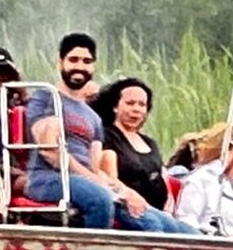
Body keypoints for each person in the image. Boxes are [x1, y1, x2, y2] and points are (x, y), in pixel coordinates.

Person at [19, 34, 184, 232]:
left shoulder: (93, 118)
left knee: (161, 222)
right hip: (48, 179)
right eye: (73, 59)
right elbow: (51, 153)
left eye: (87, 61)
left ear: (93, 67)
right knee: (101, 199)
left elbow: (95, 168)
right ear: (60, 62)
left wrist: (126, 192)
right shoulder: (46, 97)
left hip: (88, 182)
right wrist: (98, 183)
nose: (80, 66)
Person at [92, 78, 179, 214]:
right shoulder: (107, 136)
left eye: (142, 104)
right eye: (130, 103)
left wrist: (169, 206)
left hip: (160, 212)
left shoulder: (150, 143)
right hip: (127, 211)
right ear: (115, 107)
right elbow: (109, 181)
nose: (136, 109)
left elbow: (163, 177)